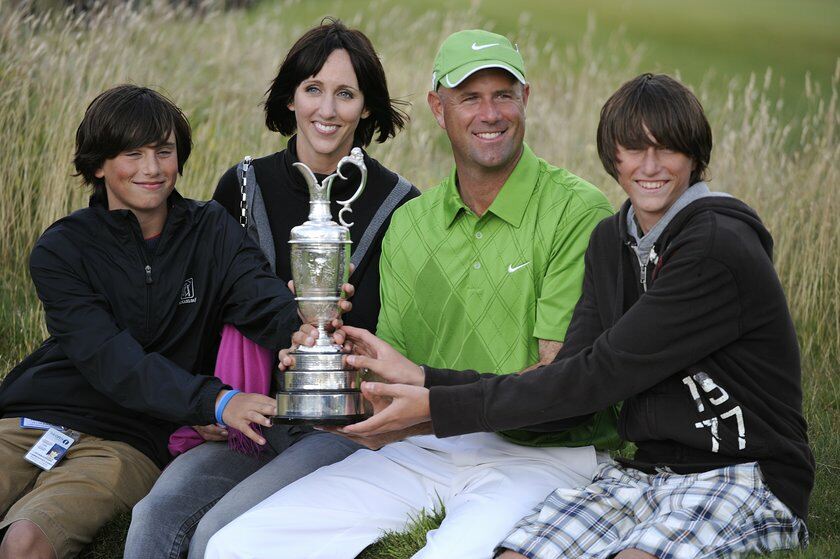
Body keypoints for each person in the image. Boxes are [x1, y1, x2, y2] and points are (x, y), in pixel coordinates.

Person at [319, 73, 815, 559]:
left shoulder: (714, 247)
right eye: (634, 149)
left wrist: (435, 405)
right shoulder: (611, 241)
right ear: (612, 157)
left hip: (747, 472)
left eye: (668, 149)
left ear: (694, 156)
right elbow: (568, 389)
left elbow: (597, 378)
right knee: (515, 553)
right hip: (643, 472)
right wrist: (427, 379)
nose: (651, 166)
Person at [206, 29, 619, 559]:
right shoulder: (412, 223)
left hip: (544, 456)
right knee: (237, 546)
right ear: (437, 108)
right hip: (424, 447)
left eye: (503, 95)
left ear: (526, 100)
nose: (489, 113)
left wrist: (430, 401)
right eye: (469, 97)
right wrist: (324, 371)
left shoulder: (576, 211)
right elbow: (389, 374)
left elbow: (557, 391)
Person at [125, 19, 418, 559]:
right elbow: (200, 307)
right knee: (154, 516)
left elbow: (399, 334)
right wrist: (209, 402)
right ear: (290, 98)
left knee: (219, 533)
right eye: (313, 89)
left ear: (368, 108)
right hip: (250, 415)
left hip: (342, 428)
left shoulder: (402, 205)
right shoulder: (239, 187)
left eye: (345, 94)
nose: (327, 111)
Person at [0, 84, 320, 559]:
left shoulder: (211, 229)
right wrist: (215, 401)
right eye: (133, 153)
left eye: (164, 151)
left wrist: (302, 332)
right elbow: (112, 359)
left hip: (128, 440)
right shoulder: (63, 249)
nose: (152, 169)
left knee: (24, 542)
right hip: (31, 416)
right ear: (98, 165)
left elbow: (258, 295)